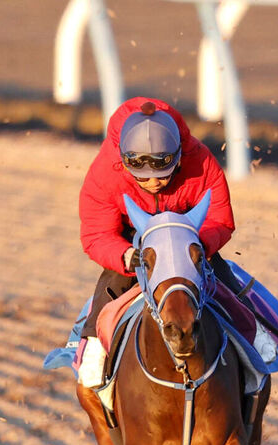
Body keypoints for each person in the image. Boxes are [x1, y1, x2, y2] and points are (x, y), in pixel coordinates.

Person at [77, 97, 244, 387]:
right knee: (110, 287)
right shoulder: (105, 171)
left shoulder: (201, 160)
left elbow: (220, 218)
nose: (154, 183)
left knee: (227, 284)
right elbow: (96, 234)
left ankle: (253, 342)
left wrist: (198, 247)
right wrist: (126, 256)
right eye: (142, 177)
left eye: (163, 174)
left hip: (189, 238)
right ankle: (94, 349)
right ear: (124, 161)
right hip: (136, 245)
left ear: (179, 156)